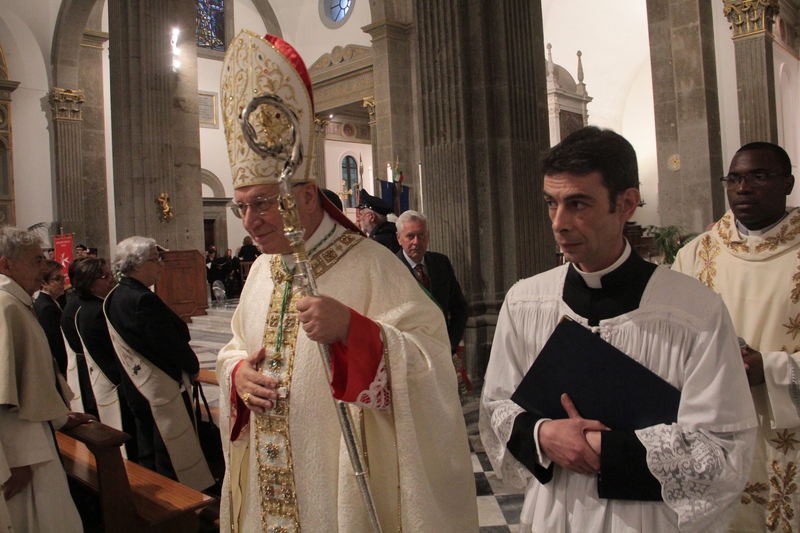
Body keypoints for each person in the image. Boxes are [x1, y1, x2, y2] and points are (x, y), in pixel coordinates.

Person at [216, 31, 477, 532]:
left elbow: (431, 365)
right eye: (241, 206)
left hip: (334, 497)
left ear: (307, 195)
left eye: (263, 203)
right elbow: (234, 347)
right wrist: (236, 375)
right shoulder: (261, 271)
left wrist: (354, 333)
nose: (249, 222)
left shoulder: (373, 265)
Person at [479, 126, 757, 533]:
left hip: (647, 519)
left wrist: (600, 448)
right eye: (551, 203)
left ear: (625, 204)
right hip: (554, 513)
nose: (559, 223)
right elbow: (496, 407)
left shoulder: (694, 311)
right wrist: (542, 434)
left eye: (578, 203)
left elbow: (722, 451)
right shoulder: (526, 302)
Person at [673, 142, 800, 532]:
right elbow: (668, 340)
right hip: (714, 429)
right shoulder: (695, 255)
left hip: (788, 433)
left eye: (759, 176)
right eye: (734, 178)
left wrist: (773, 369)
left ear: (788, 183)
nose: (743, 188)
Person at [0, 226, 94, 532]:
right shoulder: (5, 306)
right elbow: (4, 397)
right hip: (24, 452)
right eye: (36, 260)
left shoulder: (16, 301)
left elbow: (30, 378)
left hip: (35, 433)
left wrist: (57, 416)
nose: (45, 268)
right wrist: (18, 459)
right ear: (6, 265)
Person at [104, 236, 213, 491]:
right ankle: (177, 499)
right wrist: (193, 366)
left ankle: (151, 495)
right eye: (156, 259)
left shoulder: (115, 295)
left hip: (135, 387)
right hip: (159, 390)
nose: (161, 265)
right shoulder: (142, 299)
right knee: (170, 454)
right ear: (137, 264)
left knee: (148, 449)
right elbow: (169, 344)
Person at [395, 210, 471, 393]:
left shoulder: (441, 262)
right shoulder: (391, 268)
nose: (416, 242)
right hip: (410, 359)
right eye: (410, 236)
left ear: (428, 236)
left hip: (442, 351)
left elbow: (459, 307)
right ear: (399, 238)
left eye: (421, 235)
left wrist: (450, 343)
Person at [72, 257, 139, 460]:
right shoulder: (98, 312)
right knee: (127, 441)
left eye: (111, 274)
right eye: (105, 276)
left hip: (107, 379)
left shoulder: (87, 307)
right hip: (115, 382)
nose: (112, 279)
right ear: (90, 283)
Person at [33, 259, 68, 376]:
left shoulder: (50, 302)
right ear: (44, 283)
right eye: (57, 279)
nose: (63, 282)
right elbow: (54, 343)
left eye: (63, 278)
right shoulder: (47, 308)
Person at [356, 189, 401, 253]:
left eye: (360, 214)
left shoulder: (379, 243)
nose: (358, 219)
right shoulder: (389, 232)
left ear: (371, 217)